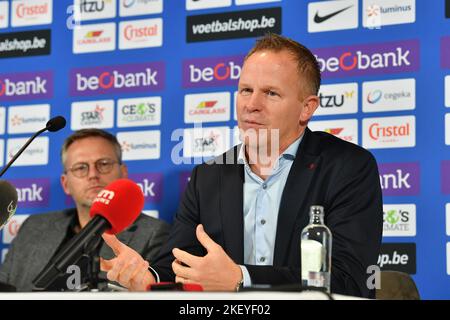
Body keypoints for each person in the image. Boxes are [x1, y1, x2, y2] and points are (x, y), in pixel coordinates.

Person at [100, 33, 383, 298]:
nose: (252, 104)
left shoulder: (348, 168)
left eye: (271, 93)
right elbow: (176, 265)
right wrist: (146, 277)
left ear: (306, 108)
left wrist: (241, 278)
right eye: (245, 90)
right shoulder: (207, 177)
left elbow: (351, 280)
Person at [0, 129, 170, 291]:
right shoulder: (34, 227)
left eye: (103, 164)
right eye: (81, 167)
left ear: (123, 173)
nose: (93, 174)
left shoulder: (153, 233)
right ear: (66, 184)